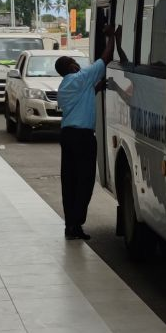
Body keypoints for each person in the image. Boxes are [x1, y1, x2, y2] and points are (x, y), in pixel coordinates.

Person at [54, 30, 120, 240]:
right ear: (71, 67)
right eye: (74, 62)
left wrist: (98, 87)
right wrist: (112, 37)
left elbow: (84, 95)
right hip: (82, 139)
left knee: (70, 181)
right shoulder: (80, 78)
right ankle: (76, 224)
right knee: (84, 181)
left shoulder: (66, 86)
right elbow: (105, 59)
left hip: (68, 136)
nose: (77, 64)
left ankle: (71, 226)